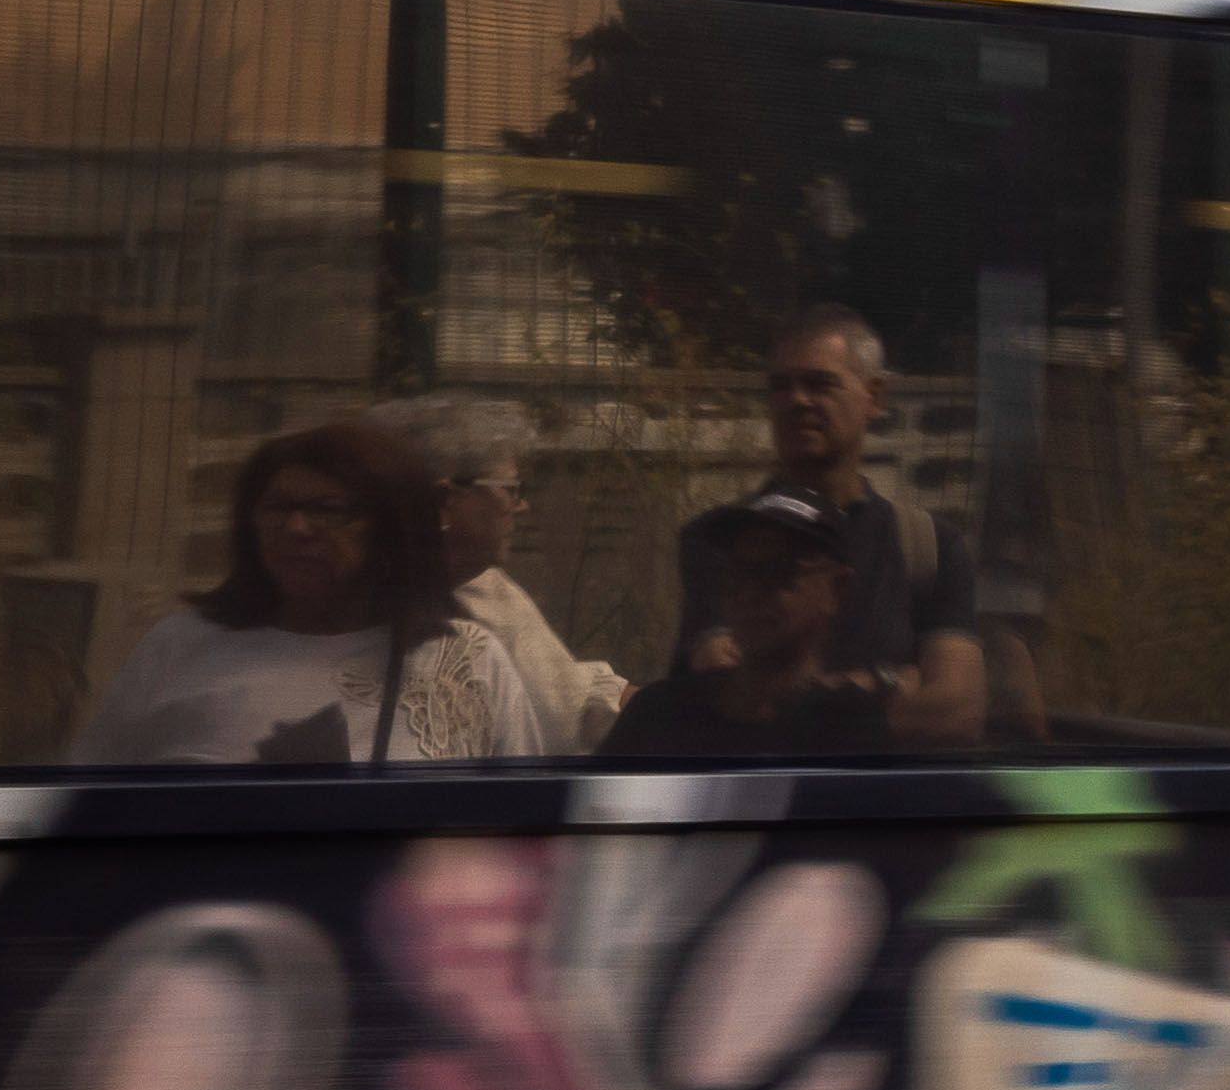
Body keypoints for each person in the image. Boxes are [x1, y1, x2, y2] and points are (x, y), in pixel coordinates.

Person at [67, 419, 542, 765]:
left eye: (329, 510)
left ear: (391, 527)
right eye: (278, 508)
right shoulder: (180, 646)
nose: (296, 528)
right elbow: (85, 805)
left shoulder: (469, 662)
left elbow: (526, 838)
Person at [673, 308, 981, 747]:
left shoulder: (930, 546)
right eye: (781, 387)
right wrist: (888, 681)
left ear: (874, 397)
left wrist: (797, 705)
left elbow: (957, 711)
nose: (796, 401)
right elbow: (734, 695)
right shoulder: (721, 540)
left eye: (819, 384)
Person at [375, 391, 630, 747]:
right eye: (510, 489)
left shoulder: (488, 588)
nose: (521, 506)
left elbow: (571, 705)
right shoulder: (351, 608)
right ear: (444, 501)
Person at [601, 497, 884, 762]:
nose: (748, 593)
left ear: (837, 589)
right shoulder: (660, 714)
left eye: (778, 571)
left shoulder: (850, 733)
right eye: (738, 572)